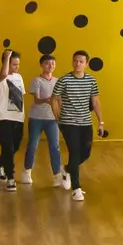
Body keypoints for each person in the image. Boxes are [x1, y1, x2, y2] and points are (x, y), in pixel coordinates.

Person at [53, 49, 104, 202]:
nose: (77, 64)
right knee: (74, 152)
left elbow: (95, 101)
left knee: (86, 153)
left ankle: (67, 169)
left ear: (86, 64)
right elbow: (54, 99)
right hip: (68, 122)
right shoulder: (64, 80)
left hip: (85, 122)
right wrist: (58, 118)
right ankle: (76, 189)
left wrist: (101, 122)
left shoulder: (91, 80)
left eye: (81, 61)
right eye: (75, 61)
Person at [24, 53, 65, 187]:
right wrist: (48, 100)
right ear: (42, 65)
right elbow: (36, 100)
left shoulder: (58, 81)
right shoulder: (36, 81)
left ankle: (57, 175)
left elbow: (59, 100)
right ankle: (27, 171)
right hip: (36, 118)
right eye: (47, 63)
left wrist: (61, 111)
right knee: (33, 145)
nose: (50, 66)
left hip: (52, 119)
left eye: (53, 63)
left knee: (55, 147)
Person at [0, 49, 26, 190]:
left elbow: (21, 97)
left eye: (18, 64)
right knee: (8, 148)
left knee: (15, 147)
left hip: (18, 118)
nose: (16, 67)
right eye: (14, 64)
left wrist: (23, 115)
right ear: (6, 63)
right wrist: (7, 56)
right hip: (3, 117)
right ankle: (11, 178)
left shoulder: (19, 77)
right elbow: (3, 74)